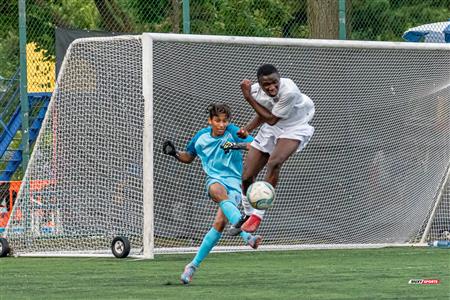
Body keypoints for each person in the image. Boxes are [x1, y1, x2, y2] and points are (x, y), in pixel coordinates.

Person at [162, 103, 262, 285]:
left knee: (219, 223)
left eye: (225, 121)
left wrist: (235, 144)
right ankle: (247, 235)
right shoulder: (200, 137)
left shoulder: (233, 131)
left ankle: (192, 266)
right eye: (217, 121)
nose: (222, 124)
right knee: (216, 190)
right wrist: (175, 153)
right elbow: (189, 157)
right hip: (215, 180)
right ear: (210, 121)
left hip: (235, 183)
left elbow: (253, 146)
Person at [231, 64, 315, 234]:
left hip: (295, 126)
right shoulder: (254, 91)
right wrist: (248, 129)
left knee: (274, 162)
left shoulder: (289, 91)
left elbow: (271, 119)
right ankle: (248, 215)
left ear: (279, 78)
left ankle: (258, 216)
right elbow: (265, 112)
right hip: (272, 127)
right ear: (259, 84)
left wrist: (248, 98)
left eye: (274, 82)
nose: (271, 87)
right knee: (247, 176)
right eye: (266, 85)